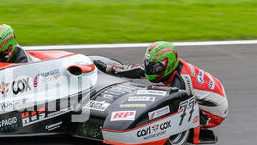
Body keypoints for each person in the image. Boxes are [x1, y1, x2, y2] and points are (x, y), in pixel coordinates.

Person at [94, 41, 228, 129]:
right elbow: (138, 70)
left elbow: (172, 105)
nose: (151, 70)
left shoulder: (180, 82)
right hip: (212, 89)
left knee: (167, 110)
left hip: (213, 112)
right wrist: (109, 69)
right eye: (149, 65)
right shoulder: (168, 67)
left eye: (156, 67)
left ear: (168, 64)